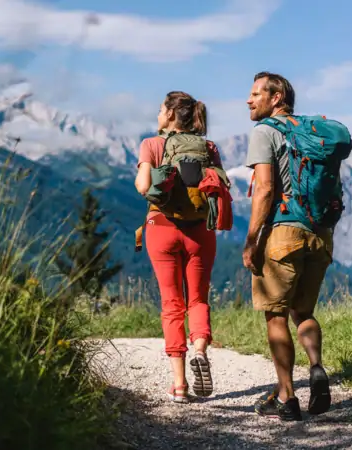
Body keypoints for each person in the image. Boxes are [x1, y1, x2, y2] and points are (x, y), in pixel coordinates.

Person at [243, 71, 340, 421]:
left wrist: (252, 239)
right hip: (320, 234)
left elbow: (266, 189)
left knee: (276, 314)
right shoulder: (313, 134)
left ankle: (286, 398)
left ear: (277, 97)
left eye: (256, 94)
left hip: (284, 232)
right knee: (304, 313)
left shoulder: (265, 131)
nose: (249, 100)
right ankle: (316, 368)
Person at [134, 91, 228, 403]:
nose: (158, 114)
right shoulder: (208, 147)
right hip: (200, 230)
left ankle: (179, 385)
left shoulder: (152, 144)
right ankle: (200, 348)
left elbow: (144, 187)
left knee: (171, 303)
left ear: (172, 114)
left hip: (160, 228)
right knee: (198, 299)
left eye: (162, 110)